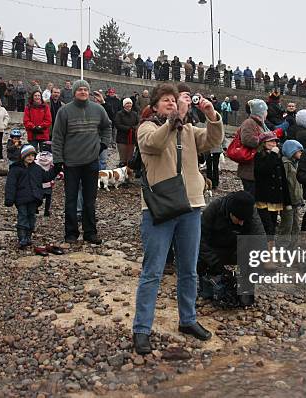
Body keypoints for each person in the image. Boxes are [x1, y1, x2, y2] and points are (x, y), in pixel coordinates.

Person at [132, 83, 223, 355]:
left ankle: (188, 319)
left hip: (191, 205)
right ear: (156, 106)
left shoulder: (188, 130)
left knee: (189, 269)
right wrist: (174, 119)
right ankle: (141, 329)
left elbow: (214, 140)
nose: (172, 103)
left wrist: (211, 114)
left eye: (175, 100)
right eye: (167, 100)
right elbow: (155, 144)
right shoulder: (146, 128)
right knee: (153, 272)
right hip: (158, 208)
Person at [52, 80, 111, 245]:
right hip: (71, 162)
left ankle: (90, 232)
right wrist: (57, 160)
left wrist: (103, 144)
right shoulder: (64, 111)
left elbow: (107, 127)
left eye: (86, 89)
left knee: (90, 199)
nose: (83, 92)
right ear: (74, 92)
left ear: (89, 92)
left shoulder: (98, 109)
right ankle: (71, 233)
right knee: (71, 199)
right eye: (80, 89)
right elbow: (57, 137)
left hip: (92, 161)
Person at [197, 191, 265, 305]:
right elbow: (200, 240)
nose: (242, 223)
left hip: (236, 248)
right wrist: (217, 266)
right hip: (215, 248)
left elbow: (260, 239)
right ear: (231, 213)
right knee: (200, 260)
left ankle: (244, 290)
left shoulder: (250, 212)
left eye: (244, 220)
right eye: (239, 219)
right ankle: (208, 287)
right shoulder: (214, 209)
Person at [5, 145, 61, 247]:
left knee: (31, 216)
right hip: (21, 198)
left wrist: (56, 169)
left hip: (34, 198)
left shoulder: (37, 168)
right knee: (22, 216)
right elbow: (10, 185)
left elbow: (46, 177)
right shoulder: (15, 169)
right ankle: (22, 237)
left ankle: (28, 236)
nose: (30, 157)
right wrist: (9, 198)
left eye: (32, 155)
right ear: (22, 156)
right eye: (28, 155)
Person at [254, 131, 290, 248]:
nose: (273, 143)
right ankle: (264, 250)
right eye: (270, 141)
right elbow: (263, 170)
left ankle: (270, 250)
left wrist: (287, 201)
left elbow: (283, 179)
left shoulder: (278, 157)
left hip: (275, 198)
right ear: (263, 143)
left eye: (275, 141)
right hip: (263, 197)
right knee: (266, 225)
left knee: (273, 225)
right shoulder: (259, 156)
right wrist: (273, 155)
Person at [236, 99, 268, 196]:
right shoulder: (249, 123)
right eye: (266, 111)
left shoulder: (260, 124)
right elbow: (247, 140)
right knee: (251, 197)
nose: (267, 113)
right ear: (261, 112)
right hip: (249, 170)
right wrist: (265, 142)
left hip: (255, 169)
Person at [278, 140, 304, 244]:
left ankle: (293, 248)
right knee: (286, 225)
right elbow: (283, 183)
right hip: (288, 200)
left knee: (296, 225)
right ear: (292, 151)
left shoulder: (296, 164)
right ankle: (282, 248)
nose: (301, 153)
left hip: (296, 200)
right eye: (299, 151)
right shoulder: (285, 164)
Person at [113, 98, 140, 168]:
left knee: (130, 157)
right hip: (122, 139)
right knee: (123, 158)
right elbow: (117, 124)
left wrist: (133, 128)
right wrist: (128, 128)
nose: (129, 105)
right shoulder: (119, 114)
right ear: (124, 105)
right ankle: (121, 173)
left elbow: (138, 123)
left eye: (130, 103)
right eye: (127, 103)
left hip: (132, 139)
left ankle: (128, 174)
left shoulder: (134, 114)